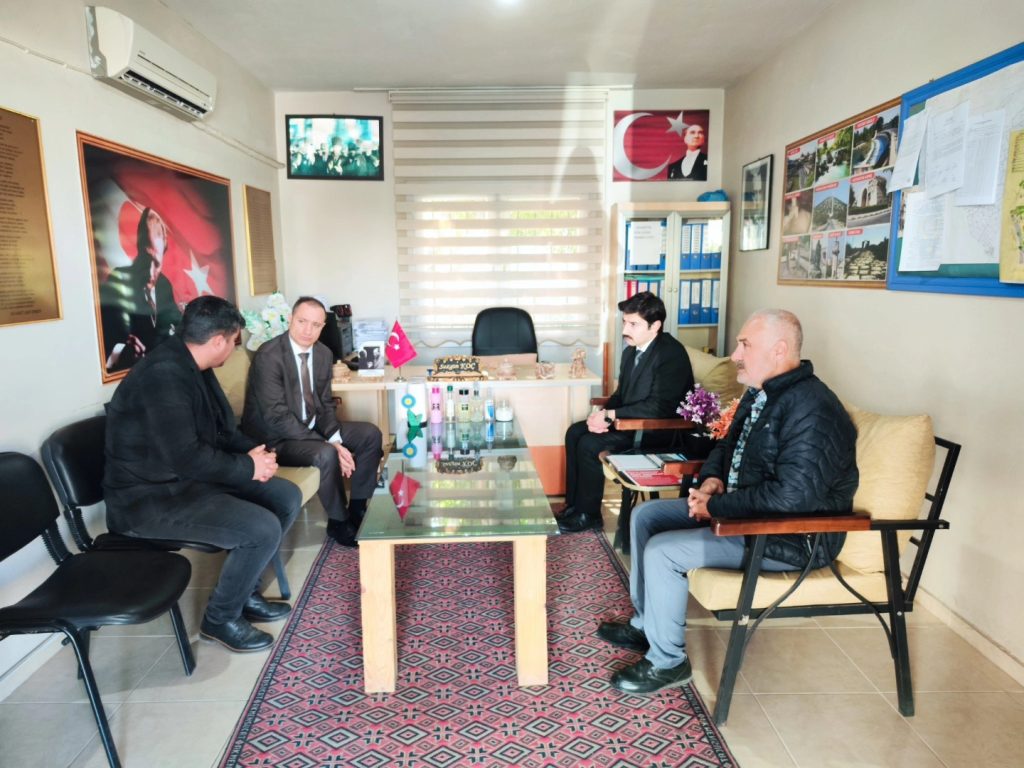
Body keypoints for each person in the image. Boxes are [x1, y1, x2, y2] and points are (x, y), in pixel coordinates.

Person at [597, 309, 859, 694]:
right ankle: (645, 625)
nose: (735, 355)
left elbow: (792, 497)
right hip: (745, 514)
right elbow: (725, 445)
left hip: (791, 537)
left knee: (663, 552)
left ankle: (668, 663)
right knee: (646, 516)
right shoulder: (761, 394)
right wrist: (712, 480)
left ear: (779, 350)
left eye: (744, 345)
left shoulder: (813, 408)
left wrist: (715, 508)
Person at [104, 296, 302, 653]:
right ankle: (220, 619)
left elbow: (221, 430)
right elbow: (186, 457)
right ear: (218, 341)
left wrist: (256, 455)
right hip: (148, 501)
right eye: (234, 341)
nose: (234, 348)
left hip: (187, 483)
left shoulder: (193, 364)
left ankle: (244, 592)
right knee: (261, 529)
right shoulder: (163, 376)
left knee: (285, 496)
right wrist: (248, 467)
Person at [243, 297, 384, 547]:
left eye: (316, 325)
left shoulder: (322, 353)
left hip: (310, 427)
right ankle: (338, 522)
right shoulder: (269, 356)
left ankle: (358, 508)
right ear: (290, 319)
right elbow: (277, 417)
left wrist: (336, 439)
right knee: (325, 453)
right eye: (302, 322)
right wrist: (330, 445)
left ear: (323, 327)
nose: (308, 330)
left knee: (370, 434)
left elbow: (325, 404)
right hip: (276, 438)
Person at [557, 292, 693, 534]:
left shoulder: (671, 354)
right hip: (629, 423)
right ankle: (575, 506)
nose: (624, 330)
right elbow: (621, 395)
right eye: (624, 322)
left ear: (655, 326)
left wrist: (611, 416)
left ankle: (589, 515)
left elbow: (659, 407)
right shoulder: (631, 351)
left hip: (656, 432)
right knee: (575, 432)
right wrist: (601, 415)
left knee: (589, 444)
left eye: (633, 324)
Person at [100, 207, 182, 372]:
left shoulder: (164, 284)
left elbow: (176, 323)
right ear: (139, 248)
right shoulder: (119, 278)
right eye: (146, 259)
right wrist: (122, 350)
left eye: (156, 264)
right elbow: (108, 338)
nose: (150, 272)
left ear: (164, 249)